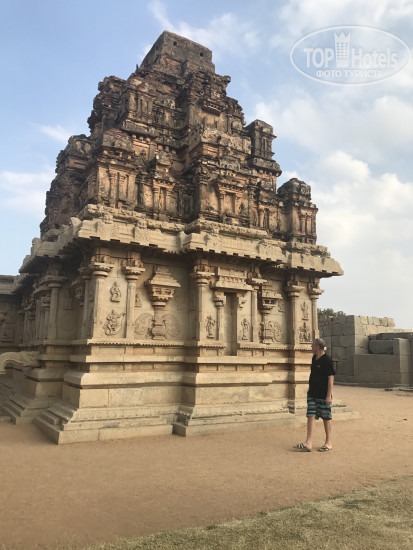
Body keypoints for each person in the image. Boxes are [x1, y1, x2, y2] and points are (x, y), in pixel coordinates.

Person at [294, 338, 335, 452]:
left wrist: (329, 395)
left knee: (326, 418)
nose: (311, 347)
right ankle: (308, 442)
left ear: (317, 347)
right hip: (312, 393)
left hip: (323, 394)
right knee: (310, 415)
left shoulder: (327, 360)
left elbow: (331, 378)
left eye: (312, 345)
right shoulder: (314, 358)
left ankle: (328, 442)